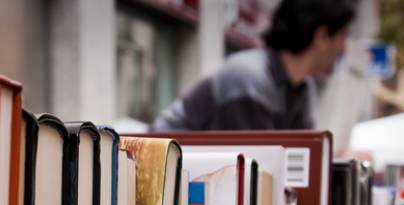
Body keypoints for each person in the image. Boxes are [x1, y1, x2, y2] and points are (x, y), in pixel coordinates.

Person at [152, 0, 355, 131]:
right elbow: (255, 167)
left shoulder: (302, 88)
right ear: (321, 36)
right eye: (343, 36)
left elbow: (304, 158)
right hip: (162, 178)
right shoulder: (250, 78)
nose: (344, 49)